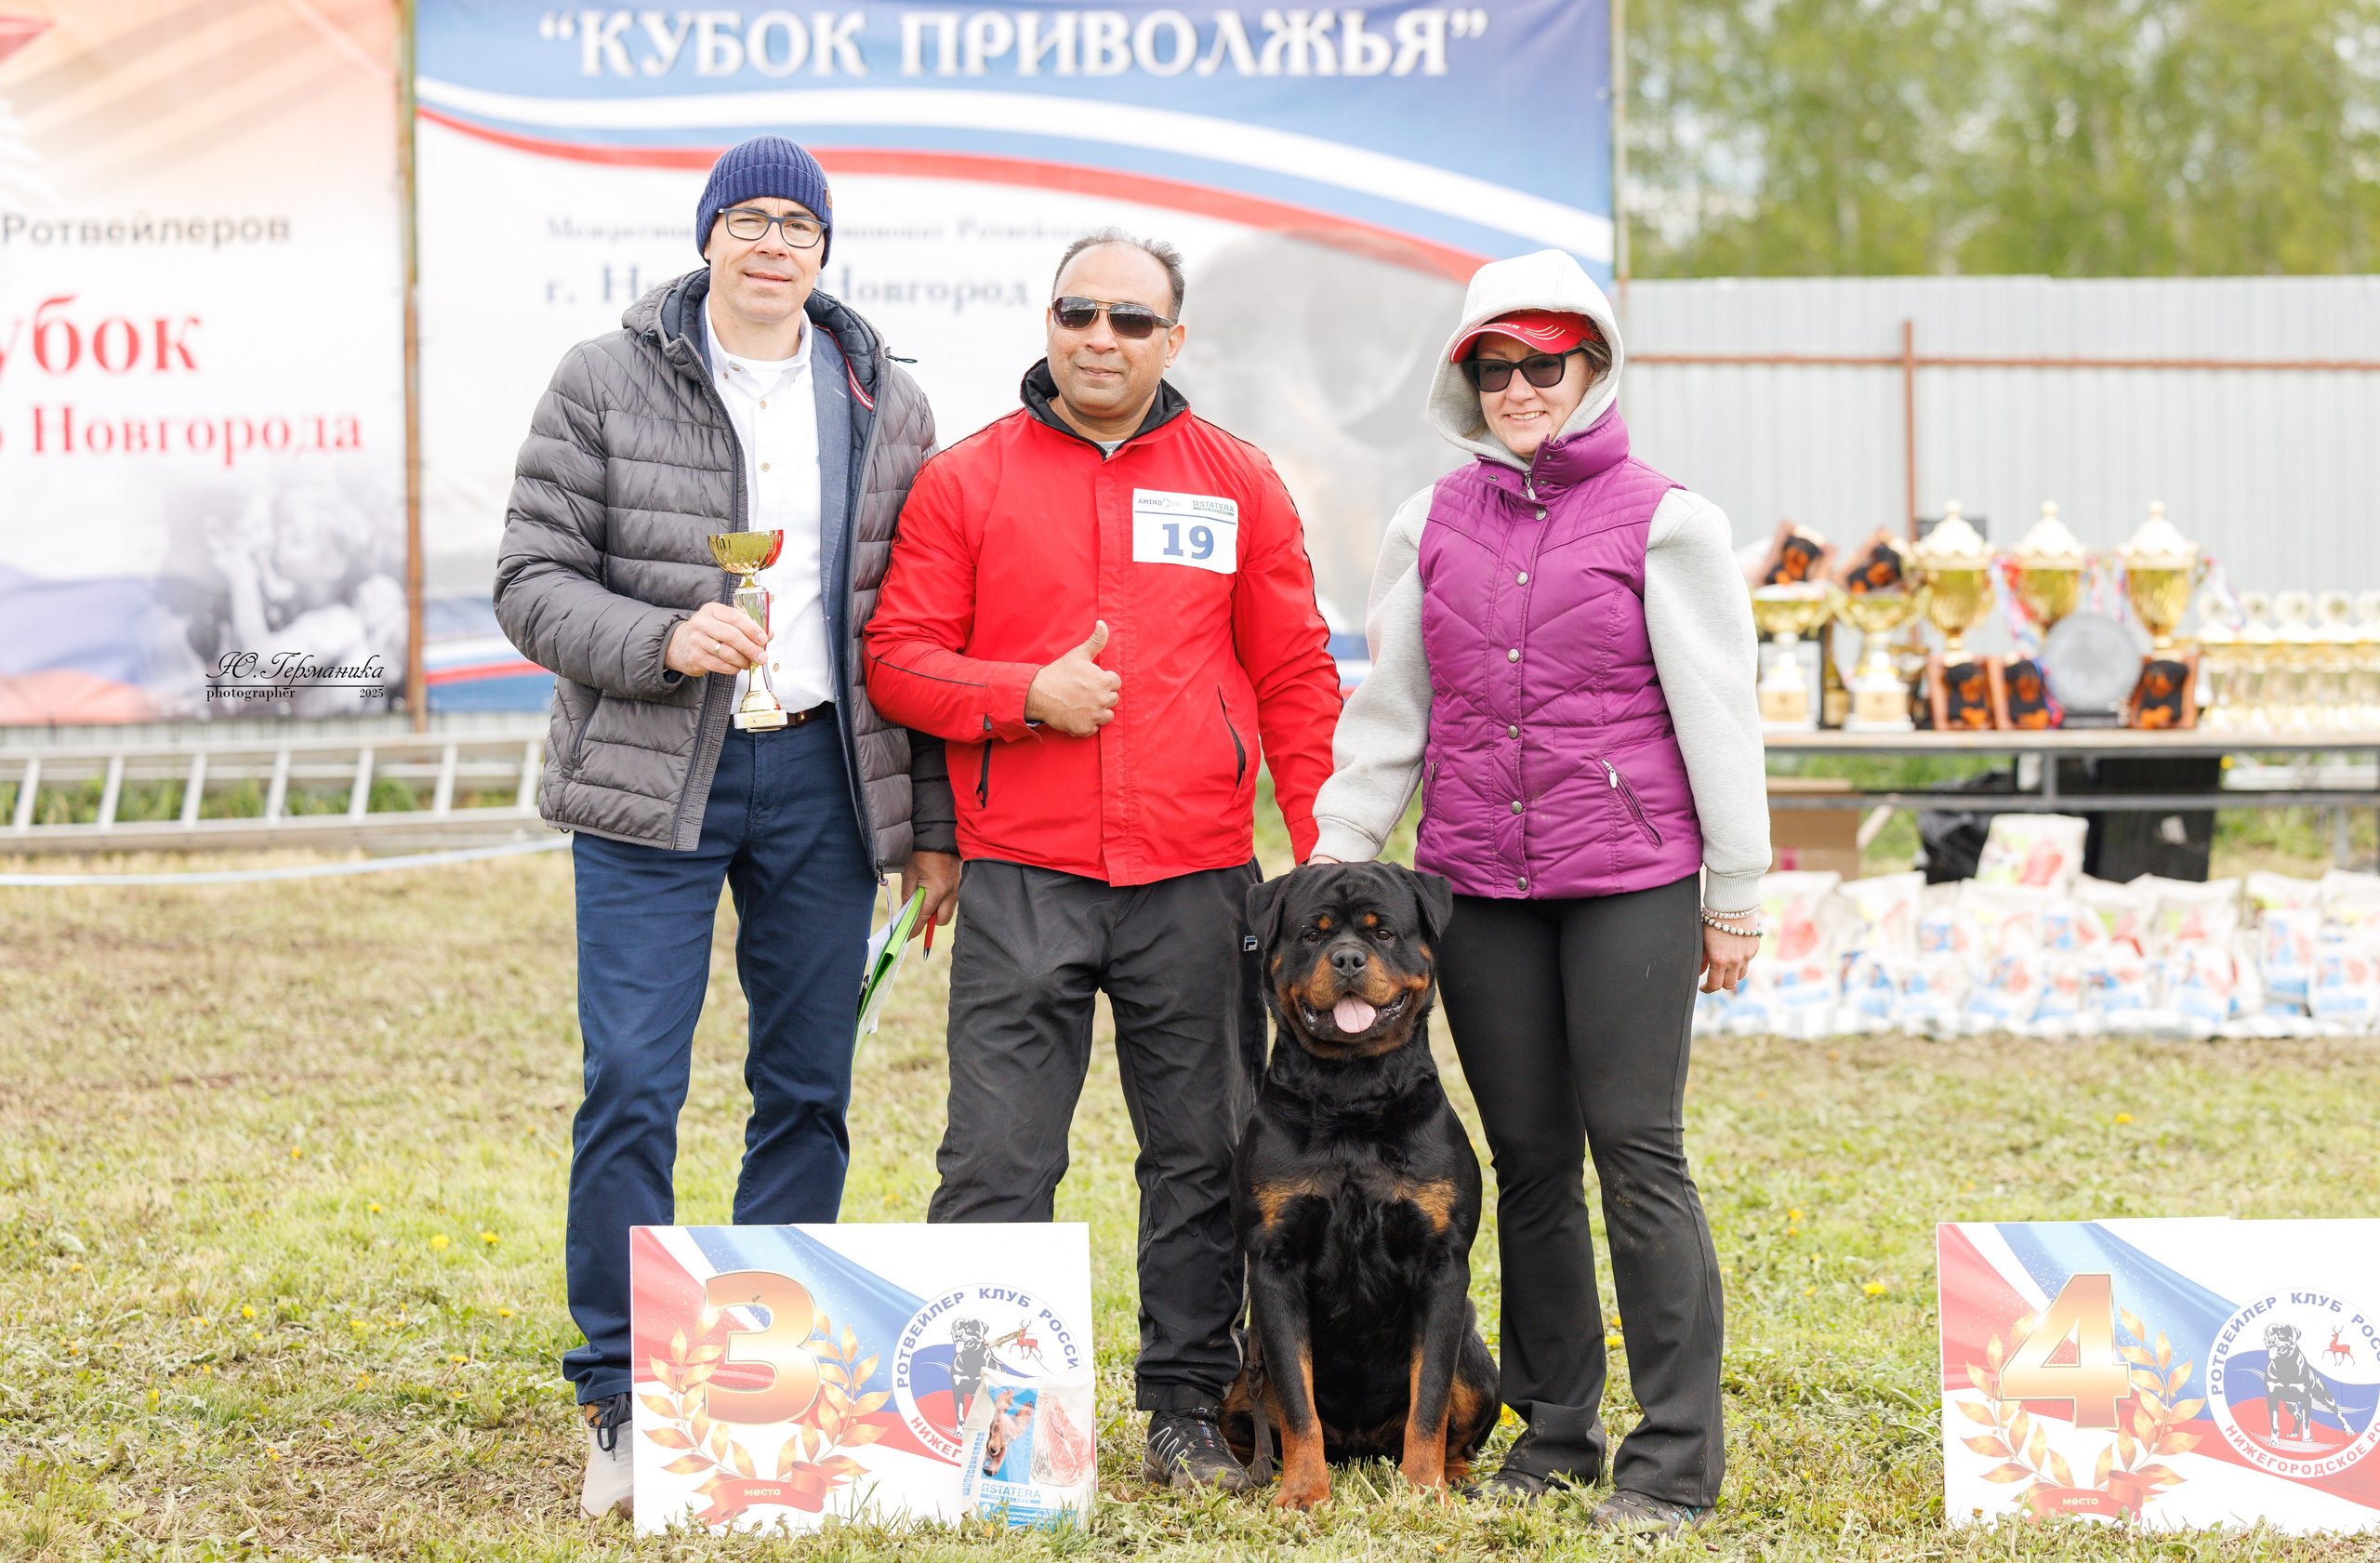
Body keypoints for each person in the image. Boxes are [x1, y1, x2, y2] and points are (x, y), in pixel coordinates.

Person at [494, 135, 962, 1520]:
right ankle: (623, 1390)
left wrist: (928, 822)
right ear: (707, 236)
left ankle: (758, 1376)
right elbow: (528, 579)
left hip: (824, 779)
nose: (772, 243)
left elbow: (917, 623)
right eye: (746, 219)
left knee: (808, 1086)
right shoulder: (602, 374)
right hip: (653, 776)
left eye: (797, 224)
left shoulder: (891, 398)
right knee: (633, 1080)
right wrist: (659, 634)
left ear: (826, 249)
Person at [864, 228, 1342, 1491]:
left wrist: (1320, 854)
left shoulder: (1239, 480)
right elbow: (900, 659)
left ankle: (1185, 1410)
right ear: (1048, 323)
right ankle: (981, 1426)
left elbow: (1295, 673)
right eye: (1080, 312)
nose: (1101, 338)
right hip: (1022, 870)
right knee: (998, 1156)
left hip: (1196, 879)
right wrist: (1028, 693)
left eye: (1133, 320)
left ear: (1174, 340)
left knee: (1201, 1152)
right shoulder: (966, 479)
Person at [1306, 248, 1767, 1533]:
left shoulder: (1670, 519)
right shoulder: (1426, 522)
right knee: (1526, 1162)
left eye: (1545, 362)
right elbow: (1396, 705)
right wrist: (1347, 838)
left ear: (1594, 366)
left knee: (1638, 1153)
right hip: (1478, 882)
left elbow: (1719, 716)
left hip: (1630, 878)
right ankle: (1557, 1427)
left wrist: (1734, 891)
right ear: (1468, 377)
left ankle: (1673, 1457)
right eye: (1494, 365)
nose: (1520, 386)